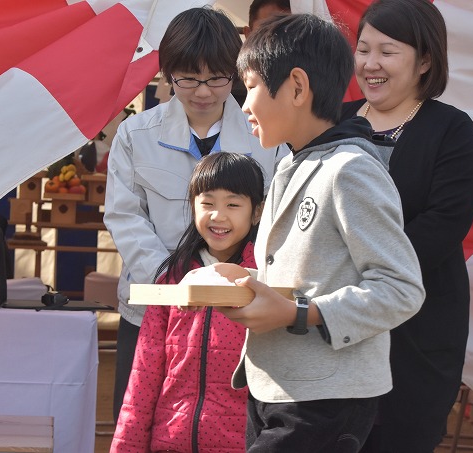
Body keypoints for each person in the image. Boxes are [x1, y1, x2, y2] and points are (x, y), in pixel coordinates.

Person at [215, 14, 426, 452]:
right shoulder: (290, 164)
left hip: (327, 398)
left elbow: (401, 288)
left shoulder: (350, 169)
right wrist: (245, 284)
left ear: (295, 86)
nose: (243, 105)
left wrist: (298, 313)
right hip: (274, 387)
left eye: (250, 86)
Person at [103, 6, 286, 424]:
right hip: (152, 309)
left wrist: (234, 282)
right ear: (167, 73)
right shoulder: (136, 135)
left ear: (237, 73)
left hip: (237, 312)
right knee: (141, 422)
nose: (203, 91)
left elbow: (274, 219)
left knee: (229, 427)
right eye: (188, 78)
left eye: (217, 78)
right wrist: (172, 282)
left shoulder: (266, 138)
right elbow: (125, 217)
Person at [339, 1, 473, 451]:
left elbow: (444, 223)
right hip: (336, 324)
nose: (370, 64)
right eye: (363, 50)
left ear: (425, 60)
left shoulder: (452, 130)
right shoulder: (332, 121)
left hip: (418, 331)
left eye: (387, 51)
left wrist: (368, 273)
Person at [110, 152, 265, 453]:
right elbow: (143, 379)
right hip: (170, 441)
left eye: (233, 204)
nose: (218, 216)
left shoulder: (267, 282)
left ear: (256, 212)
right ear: (193, 206)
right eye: (207, 203)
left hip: (244, 444)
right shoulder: (171, 280)